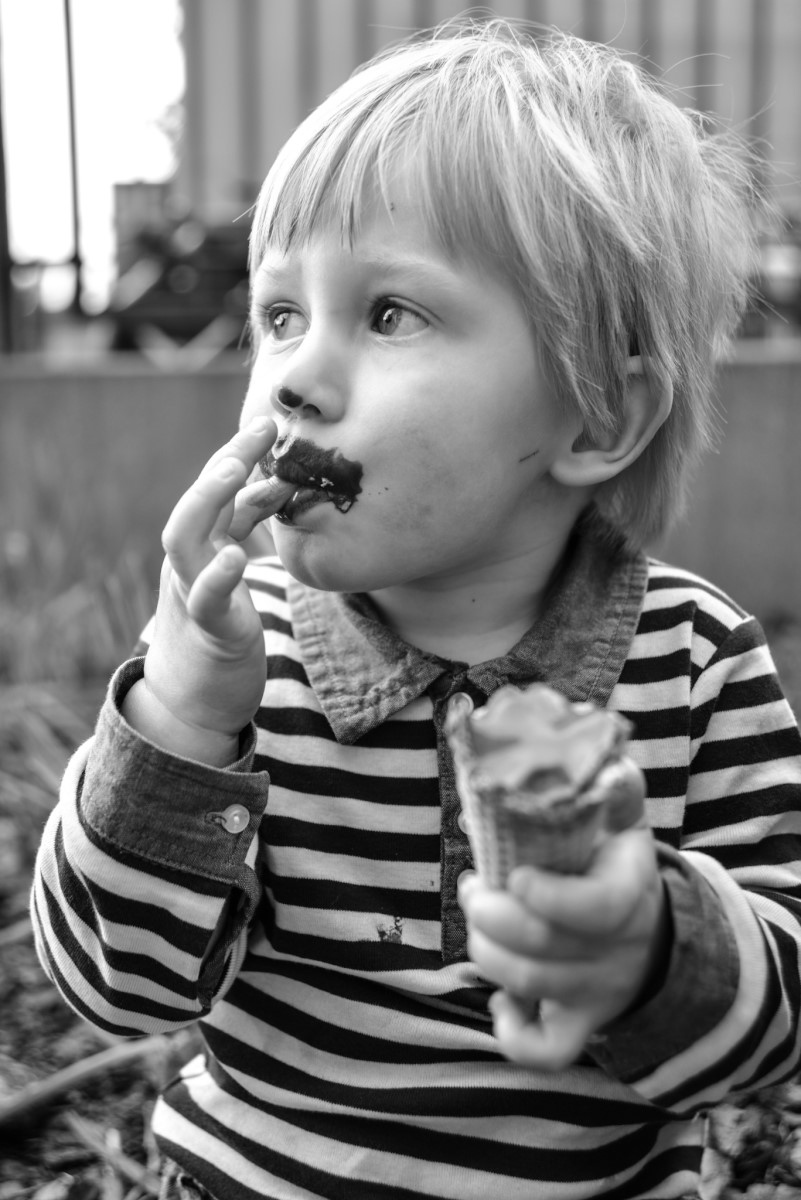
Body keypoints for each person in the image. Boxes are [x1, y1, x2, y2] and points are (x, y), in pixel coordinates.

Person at [31, 18, 801, 1200]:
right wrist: (178, 725)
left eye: (390, 313)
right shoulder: (236, 657)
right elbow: (112, 989)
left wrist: (652, 948)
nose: (292, 376)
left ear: (598, 413)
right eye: (280, 315)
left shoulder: (694, 664)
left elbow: (780, 1025)